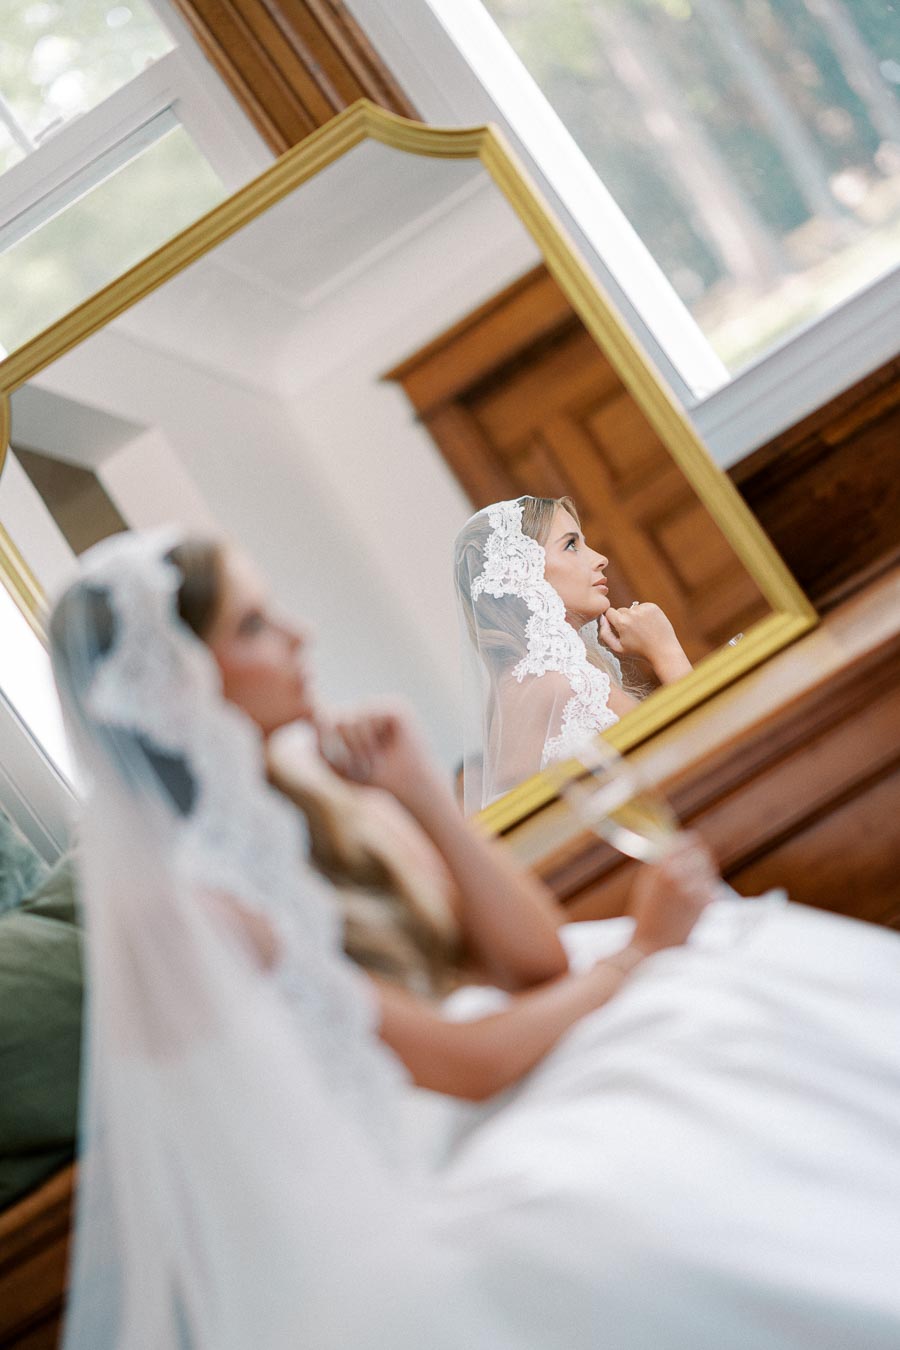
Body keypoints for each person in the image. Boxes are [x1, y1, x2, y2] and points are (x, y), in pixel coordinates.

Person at [49, 529, 900, 1350]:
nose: (300, 633)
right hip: (414, 1163)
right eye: (255, 625)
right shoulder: (194, 904)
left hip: (494, 1062)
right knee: (671, 1081)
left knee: (730, 986)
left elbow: (533, 961)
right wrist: (640, 954)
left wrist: (419, 790)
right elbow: (463, 1064)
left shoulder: (325, 789)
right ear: (178, 684)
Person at [454, 494, 692, 810]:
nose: (599, 558)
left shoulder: (508, 698)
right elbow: (694, 753)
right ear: (521, 574)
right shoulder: (568, 684)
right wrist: (665, 651)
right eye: (571, 545)